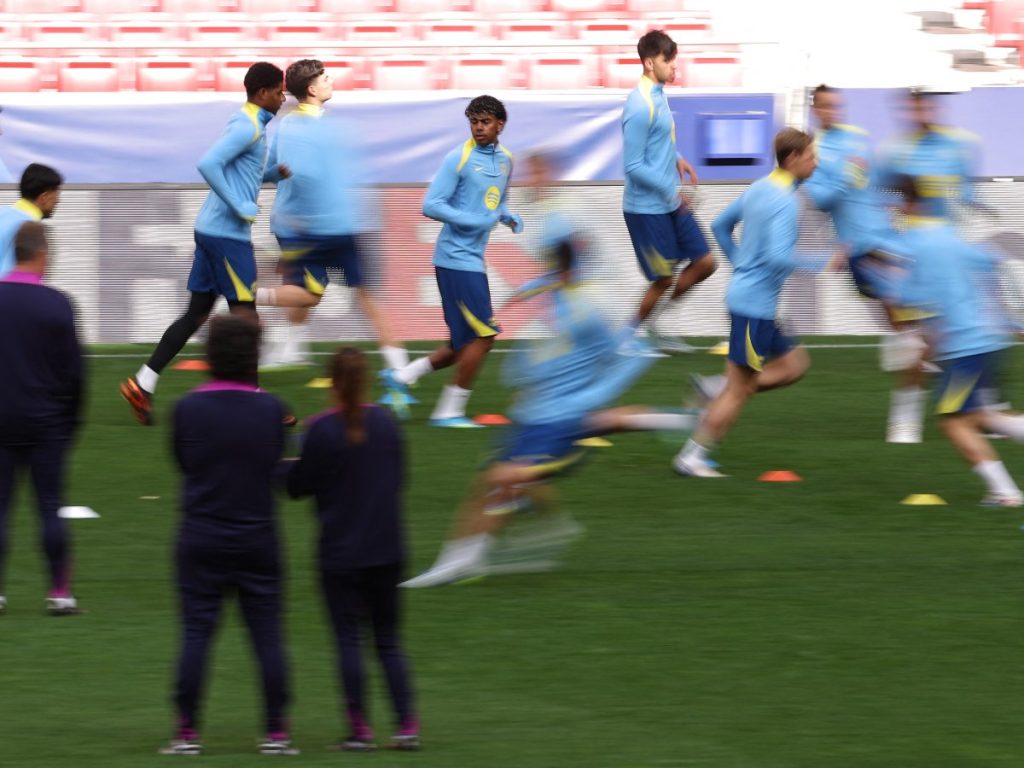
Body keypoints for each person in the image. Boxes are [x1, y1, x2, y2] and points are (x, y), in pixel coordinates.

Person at [403, 200, 697, 588]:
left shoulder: (589, 305)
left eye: (551, 256)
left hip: (559, 418)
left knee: (502, 478)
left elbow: (617, 355)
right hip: (536, 412)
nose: (545, 263)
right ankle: (480, 553)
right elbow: (552, 341)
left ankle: (458, 563)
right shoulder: (560, 292)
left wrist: (593, 392)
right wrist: (526, 378)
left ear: (564, 257)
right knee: (492, 485)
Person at [121, 62, 288, 426]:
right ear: (262, 93)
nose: (283, 96)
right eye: (278, 91)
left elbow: (242, 172)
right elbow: (208, 164)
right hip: (227, 236)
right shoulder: (246, 126)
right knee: (246, 317)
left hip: (214, 231)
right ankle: (255, 402)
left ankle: (143, 381)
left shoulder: (251, 124)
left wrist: (276, 174)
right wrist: (240, 204)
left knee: (197, 312)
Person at [161, 314, 296, 756]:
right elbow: (280, 468)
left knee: (196, 633)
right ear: (253, 356)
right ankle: (276, 731)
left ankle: (186, 732)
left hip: (201, 535)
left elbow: (184, 462)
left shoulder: (187, 409)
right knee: (268, 636)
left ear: (209, 356)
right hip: (258, 535)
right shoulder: (273, 410)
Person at [285, 348, 419, 752]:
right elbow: (399, 478)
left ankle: (360, 730)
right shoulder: (386, 423)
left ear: (333, 382)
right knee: (389, 642)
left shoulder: (321, 429)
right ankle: (407, 725)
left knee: (349, 641)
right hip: (387, 548)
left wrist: (279, 459)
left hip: (341, 553)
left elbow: (297, 486)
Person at [870, 175, 1024, 506]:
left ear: (901, 205)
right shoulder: (946, 233)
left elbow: (907, 296)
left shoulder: (910, 245)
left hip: (965, 345)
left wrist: (884, 280)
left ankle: (1006, 493)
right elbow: (989, 263)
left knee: (954, 424)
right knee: (980, 417)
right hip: (988, 339)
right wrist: (1010, 320)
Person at [674, 128, 817, 478]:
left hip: (753, 301)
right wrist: (823, 261)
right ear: (793, 159)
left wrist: (741, 263)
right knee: (741, 390)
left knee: (794, 365)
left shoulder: (759, 188)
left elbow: (720, 226)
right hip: (754, 307)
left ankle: (714, 388)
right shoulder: (784, 201)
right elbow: (779, 258)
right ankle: (692, 456)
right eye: (812, 157)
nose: (817, 163)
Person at [255, 60, 408, 376]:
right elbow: (300, 174)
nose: (331, 80)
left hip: (313, 224)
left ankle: (289, 346)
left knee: (310, 292)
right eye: (325, 77)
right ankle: (400, 367)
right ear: (312, 89)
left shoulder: (295, 124)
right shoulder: (317, 127)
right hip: (325, 225)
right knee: (355, 294)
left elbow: (276, 170)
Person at [382, 95, 522, 427]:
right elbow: (431, 205)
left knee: (462, 345)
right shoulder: (458, 157)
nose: (478, 128)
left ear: (500, 124)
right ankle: (448, 411)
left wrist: (506, 216)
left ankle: (402, 377)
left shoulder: (505, 160)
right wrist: (472, 221)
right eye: (473, 122)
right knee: (484, 337)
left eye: (485, 121)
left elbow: (495, 201)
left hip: (472, 259)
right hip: (455, 259)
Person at [805, 84, 926, 444]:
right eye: (826, 106)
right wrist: (845, 179)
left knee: (911, 328)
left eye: (837, 105)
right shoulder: (811, 150)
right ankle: (908, 412)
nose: (833, 111)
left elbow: (878, 183)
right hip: (861, 247)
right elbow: (819, 201)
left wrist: (902, 199)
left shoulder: (858, 138)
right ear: (815, 109)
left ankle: (910, 405)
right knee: (907, 325)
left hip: (890, 237)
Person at [0, 222, 84, 616]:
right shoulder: (58, 304)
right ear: (42, 253)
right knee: (49, 506)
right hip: (46, 423)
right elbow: (76, 376)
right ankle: (60, 593)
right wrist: (70, 425)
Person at [621, 29, 716, 354]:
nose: (674, 67)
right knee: (662, 279)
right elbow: (633, 165)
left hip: (667, 200)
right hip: (646, 207)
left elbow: (656, 144)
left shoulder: (659, 94)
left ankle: (659, 324)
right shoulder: (639, 104)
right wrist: (672, 191)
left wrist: (677, 159)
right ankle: (628, 337)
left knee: (705, 262)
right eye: (668, 60)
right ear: (649, 63)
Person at [0, 163, 62, 278]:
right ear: (44, 197)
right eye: (56, 194)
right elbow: (10, 277)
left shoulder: (2, 214)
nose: (58, 201)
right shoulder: (28, 229)